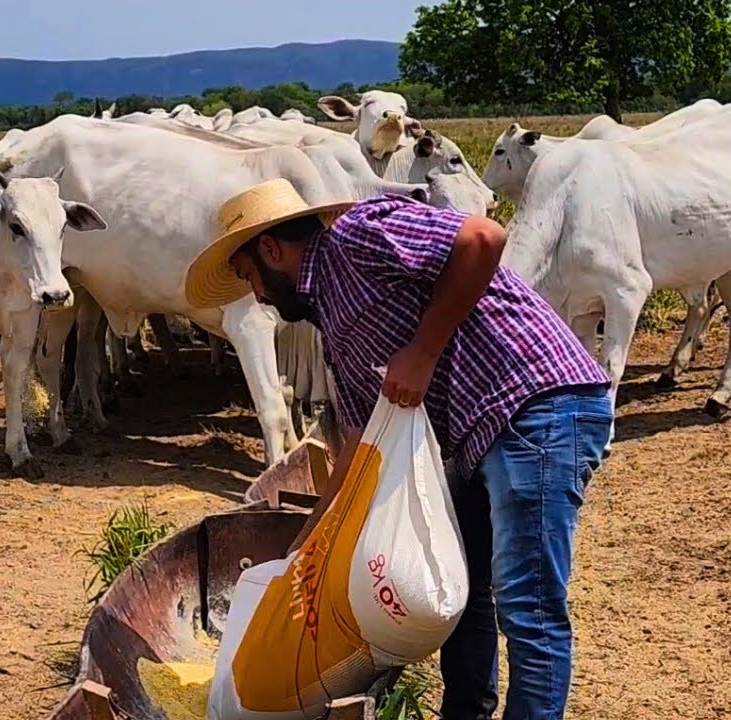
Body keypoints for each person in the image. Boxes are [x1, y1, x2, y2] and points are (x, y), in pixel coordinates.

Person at [184, 179, 613, 720]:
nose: (258, 295)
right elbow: (360, 442)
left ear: (271, 250)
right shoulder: (333, 327)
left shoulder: (357, 234)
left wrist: (422, 353)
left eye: (249, 276)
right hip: (479, 434)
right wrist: (306, 543)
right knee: (466, 593)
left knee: (528, 605)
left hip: (534, 403)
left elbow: (483, 239)